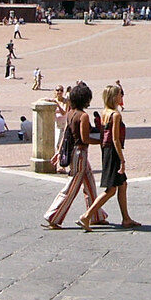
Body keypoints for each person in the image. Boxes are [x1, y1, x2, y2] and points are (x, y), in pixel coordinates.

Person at [43, 83, 108, 229]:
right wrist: (101, 142)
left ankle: (96, 215)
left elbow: (67, 133)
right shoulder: (83, 116)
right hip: (80, 153)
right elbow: (85, 139)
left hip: (74, 152)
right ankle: (53, 216)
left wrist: (59, 151)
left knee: (90, 183)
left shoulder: (71, 113)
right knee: (72, 186)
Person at [80, 85, 140, 230]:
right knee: (111, 190)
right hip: (113, 152)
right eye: (120, 94)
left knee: (123, 184)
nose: (122, 97)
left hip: (106, 151)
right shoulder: (116, 115)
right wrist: (122, 159)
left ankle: (126, 218)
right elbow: (115, 139)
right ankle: (87, 216)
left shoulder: (105, 113)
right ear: (114, 97)